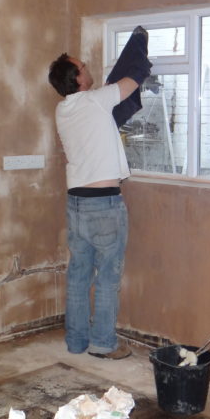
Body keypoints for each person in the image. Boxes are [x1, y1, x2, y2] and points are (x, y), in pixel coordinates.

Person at [48, 34, 150, 359]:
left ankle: (76, 343)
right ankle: (103, 345)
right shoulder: (95, 100)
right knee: (107, 278)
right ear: (77, 79)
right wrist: (141, 50)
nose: (88, 68)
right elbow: (132, 81)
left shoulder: (62, 111)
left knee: (79, 276)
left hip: (76, 203)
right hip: (104, 203)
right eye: (82, 67)